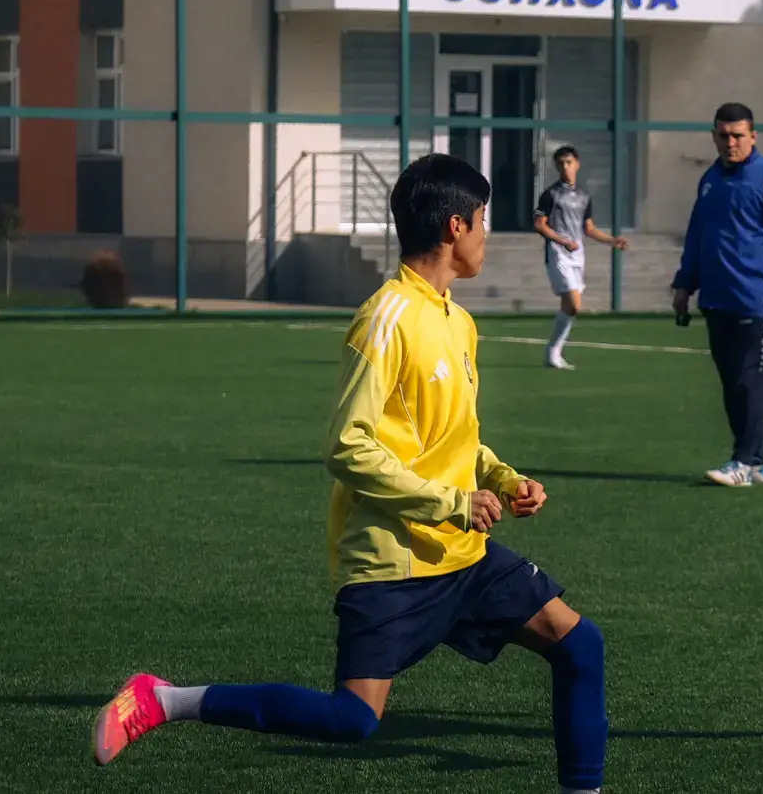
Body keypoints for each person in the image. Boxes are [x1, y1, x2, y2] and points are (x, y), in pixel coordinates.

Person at [92, 153, 608, 794]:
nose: (486, 235)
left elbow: (456, 437)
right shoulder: (385, 319)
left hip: (463, 554)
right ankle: (164, 700)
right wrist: (453, 502)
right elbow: (348, 446)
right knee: (352, 718)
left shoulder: (457, 320)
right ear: (454, 227)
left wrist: (503, 479)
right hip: (394, 561)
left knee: (579, 644)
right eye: (482, 220)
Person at [672, 102, 763, 488]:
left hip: (758, 302)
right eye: (723, 135)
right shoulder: (710, 180)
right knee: (734, 386)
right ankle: (757, 463)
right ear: (714, 137)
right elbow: (698, 236)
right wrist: (684, 284)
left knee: (752, 384)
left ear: (753, 137)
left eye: (737, 135)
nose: (730, 142)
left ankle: (743, 461)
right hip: (717, 300)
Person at [535, 145, 630, 370]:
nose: (565, 167)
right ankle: (553, 350)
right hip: (558, 254)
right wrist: (562, 241)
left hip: (578, 255)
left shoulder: (584, 196)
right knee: (574, 304)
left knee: (570, 307)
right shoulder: (550, 194)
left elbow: (588, 228)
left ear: (577, 164)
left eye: (569, 163)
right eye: (561, 164)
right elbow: (539, 224)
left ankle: (553, 353)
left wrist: (612, 240)